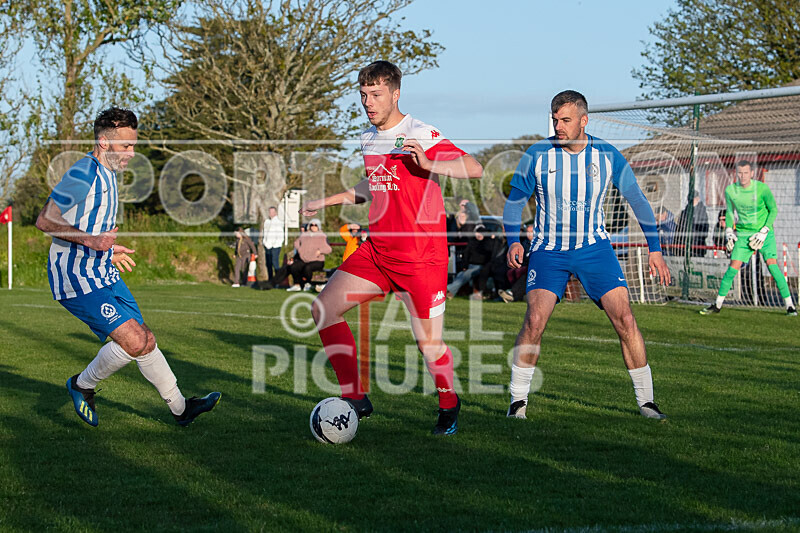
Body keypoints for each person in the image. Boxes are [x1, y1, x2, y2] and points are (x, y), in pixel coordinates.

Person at [300, 60, 482, 436]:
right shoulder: (368, 139)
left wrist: (429, 162)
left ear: (395, 94)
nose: (368, 102)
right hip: (379, 251)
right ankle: (355, 397)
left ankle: (449, 402)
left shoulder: (420, 132)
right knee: (324, 310)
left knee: (428, 344)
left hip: (420, 258)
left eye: (376, 94)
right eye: (363, 95)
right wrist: (326, 201)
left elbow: (474, 167)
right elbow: (374, 183)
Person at [34, 107, 220, 427]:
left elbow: (91, 226)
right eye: (126, 146)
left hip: (101, 270)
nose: (132, 153)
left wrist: (107, 251)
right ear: (104, 143)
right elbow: (45, 220)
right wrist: (93, 242)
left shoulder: (109, 174)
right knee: (133, 341)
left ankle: (181, 409)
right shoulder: (84, 173)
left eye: (134, 145)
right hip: (76, 277)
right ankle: (81, 385)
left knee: (145, 339)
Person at [503, 90, 672, 421]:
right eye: (555, 120)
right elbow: (514, 202)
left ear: (584, 120)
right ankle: (517, 403)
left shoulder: (607, 155)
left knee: (625, 319)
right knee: (534, 321)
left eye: (565, 120)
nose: (558, 126)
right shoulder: (537, 154)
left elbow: (638, 200)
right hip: (549, 251)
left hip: (594, 249)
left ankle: (647, 403)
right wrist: (513, 241)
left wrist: (655, 249)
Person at [700, 160, 796, 316]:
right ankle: (717, 305)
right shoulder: (731, 190)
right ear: (736, 174)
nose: (743, 176)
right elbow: (730, 212)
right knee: (732, 269)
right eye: (740, 173)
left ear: (752, 173)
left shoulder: (762, 189)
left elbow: (773, 210)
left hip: (765, 234)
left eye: (746, 173)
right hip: (744, 235)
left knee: (772, 266)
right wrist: (729, 231)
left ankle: (790, 306)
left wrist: (764, 230)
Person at [446, 224, 493, 298]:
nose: (479, 235)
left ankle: (448, 289)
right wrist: (464, 265)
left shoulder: (487, 242)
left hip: (481, 266)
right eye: (478, 233)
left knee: (466, 274)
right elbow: (466, 254)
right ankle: (451, 292)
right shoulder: (472, 242)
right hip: (471, 265)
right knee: (461, 274)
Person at [287, 218, 331, 291]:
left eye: (315, 225)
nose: (313, 226)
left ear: (318, 226)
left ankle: (308, 283)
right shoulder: (304, 235)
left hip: (317, 260)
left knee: (307, 268)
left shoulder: (322, 236)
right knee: (294, 266)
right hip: (304, 259)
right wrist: (300, 249)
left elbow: (328, 249)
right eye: (311, 225)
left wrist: (320, 251)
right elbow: (296, 243)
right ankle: (297, 284)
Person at [676, 190, 709, 257]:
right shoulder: (684, 212)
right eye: (690, 199)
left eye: (693, 198)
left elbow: (704, 229)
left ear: (697, 198)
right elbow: (680, 229)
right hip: (685, 247)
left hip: (697, 247)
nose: (691, 200)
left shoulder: (702, 212)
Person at [262, 206, 283, 281]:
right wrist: (265, 242)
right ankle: (270, 280)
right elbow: (265, 233)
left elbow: (280, 236)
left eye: (272, 212)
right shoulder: (267, 222)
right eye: (269, 212)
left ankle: (277, 280)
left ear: (275, 213)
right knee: (268, 264)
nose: (270, 213)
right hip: (267, 246)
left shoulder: (278, 222)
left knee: (275, 263)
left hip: (275, 246)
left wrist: (275, 245)